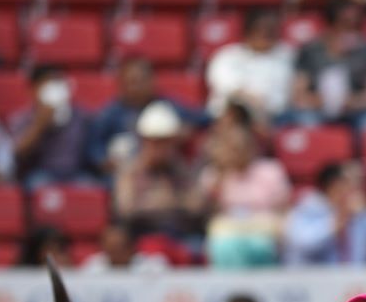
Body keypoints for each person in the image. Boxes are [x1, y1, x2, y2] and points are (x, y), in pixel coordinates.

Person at [86, 57, 208, 175]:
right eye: (132, 82)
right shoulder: (111, 114)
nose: (138, 87)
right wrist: (107, 162)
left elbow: (203, 119)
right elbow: (94, 147)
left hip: (162, 173)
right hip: (120, 175)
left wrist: (186, 129)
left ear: (152, 80)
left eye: (142, 80)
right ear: (121, 85)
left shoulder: (166, 107)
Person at [112, 101, 205, 252]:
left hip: (180, 239)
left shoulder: (182, 170)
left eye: (165, 142)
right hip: (141, 241)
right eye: (155, 142)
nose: (160, 148)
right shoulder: (131, 172)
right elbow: (125, 209)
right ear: (144, 141)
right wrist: (162, 204)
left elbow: (197, 205)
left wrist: (168, 202)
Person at [197, 124, 293, 267]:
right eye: (232, 148)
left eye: (241, 147)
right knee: (222, 246)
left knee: (260, 245)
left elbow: (283, 208)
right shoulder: (214, 174)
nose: (237, 152)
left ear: (251, 148)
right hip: (229, 231)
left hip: (262, 230)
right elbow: (207, 211)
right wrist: (221, 173)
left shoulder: (270, 171)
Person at [289, 0, 366, 132]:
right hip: (318, 109)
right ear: (330, 25)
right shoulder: (311, 50)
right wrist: (322, 101)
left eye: (357, 25)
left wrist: (353, 102)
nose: (352, 31)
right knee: (305, 121)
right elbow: (298, 95)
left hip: (357, 110)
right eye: (346, 24)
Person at [205, 9, 296, 123]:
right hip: (232, 117)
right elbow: (229, 89)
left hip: (278, 118)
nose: (267, 35)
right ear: (248, 32)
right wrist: (253, 103)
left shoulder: (288, 55)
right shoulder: (228, 56)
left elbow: (298, 89)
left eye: (272, 31)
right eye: (263, 30)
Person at [11, 68, 92, 186]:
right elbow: (17, 154)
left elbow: (92, 152)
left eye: (58, 83)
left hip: (76, 174)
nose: (54, 90)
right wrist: (39, 125)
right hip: (42, 174)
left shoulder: (81, 116)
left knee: (91, 187)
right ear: (34, 89)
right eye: (48, 85)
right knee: (37, 184)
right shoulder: (23, 118)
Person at [81, 221, 172, 271]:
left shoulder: (150, 266)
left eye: (118, 249)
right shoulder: (94, 266)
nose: (115, 255)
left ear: (131, 247)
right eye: (110, 250)